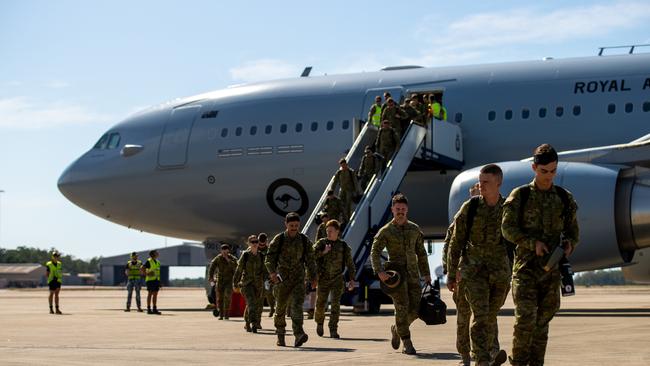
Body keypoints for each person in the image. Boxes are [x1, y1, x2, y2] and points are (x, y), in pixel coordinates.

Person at [502, 144, 579, 366]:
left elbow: (574, 232)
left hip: (551, 271)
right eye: (544, 171)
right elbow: (507, 229)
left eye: (553, 171)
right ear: (534, 168)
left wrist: (569, 245)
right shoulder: (521, 196)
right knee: (526, 319)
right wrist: (531, 242)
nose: (549, 176)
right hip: (526, 270)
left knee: (543, 321)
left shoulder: (564, 198)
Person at [447, 165, 510, 366]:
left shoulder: (509, 209)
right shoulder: (471, 208)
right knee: (480, 317)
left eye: (486, 182)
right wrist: (450, 273)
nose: (481, 186)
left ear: (498, 183)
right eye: (480, 181)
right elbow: (455, 242)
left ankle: (489, 355)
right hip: (473, 272)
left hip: (500, 274)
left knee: (491, 317)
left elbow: (519, 240)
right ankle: (481, 360)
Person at [371, 193, 431, 355]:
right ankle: (407, 342)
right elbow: (375, 251)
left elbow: (422, 252)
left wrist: (426, 273)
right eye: (397, 209)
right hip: (395, 277)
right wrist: (380, 271)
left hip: (413, 274)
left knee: (415, 309)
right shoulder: (386, 231)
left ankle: (397, 329)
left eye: (403, 209)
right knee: (402, 307)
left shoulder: (414, 228)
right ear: (392, 209)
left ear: (407, 210)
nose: (400, 212)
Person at [265, 212, 317, 348]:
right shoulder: (279, 239)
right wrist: (272, 273)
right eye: (291, 225)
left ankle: (298, 334)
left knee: (296, 307)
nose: (294, 228)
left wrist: (313, 277)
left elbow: (310, 260)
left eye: (296, 225)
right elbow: (269, 258)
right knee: (280, 308)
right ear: (286, 224)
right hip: (281, 280)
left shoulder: (304, 240)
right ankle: (280, 335)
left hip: (298, 279)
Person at [442, 182, 479, 365]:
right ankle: (465, 355)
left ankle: (489, 352)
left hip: (483, 277)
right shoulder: (462, 217)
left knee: (486, 318)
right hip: (463, 276)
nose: (479, 196)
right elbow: (449, 246)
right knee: (463, 319)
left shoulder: (496, 214)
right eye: (475, 194)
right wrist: (450, 271)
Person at [313, 219, 356, 338]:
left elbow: (350, 264)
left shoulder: (343, 246)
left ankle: (333, 329)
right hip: (323, 278)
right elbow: (311, 256)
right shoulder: (321, 243)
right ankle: (320, 322)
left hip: (337, 279)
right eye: (327, 231)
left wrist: (352, 279)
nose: (328, 233)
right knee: (321, 304)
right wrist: (323, 252)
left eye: (331, 231)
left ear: (337, 231)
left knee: (336, 305)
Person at [234, 235, 266, 333]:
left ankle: (247, 322)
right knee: (251, 303)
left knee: (253, 305)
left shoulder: (261, 255)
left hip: (257, 285)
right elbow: (239, 270)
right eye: (253, 242)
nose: (255, 244)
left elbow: (265, 270)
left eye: (256, 241)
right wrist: (235, 283)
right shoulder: (246, 255)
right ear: (249, 243)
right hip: (246, 284)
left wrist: (269, 279)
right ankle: (254, 323)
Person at [208, 244, 238, 320]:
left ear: (228, 250)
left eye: (226, 249)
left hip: (229, 281)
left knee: (227, 296)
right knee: (220, 298)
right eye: (223, 250)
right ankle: (221, 315)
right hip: (220, 281)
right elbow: (212, 267)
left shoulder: (232, 258)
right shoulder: (218, 258)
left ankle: (227, 314)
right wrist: (211, 277)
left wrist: (228, 260)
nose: (224, 251)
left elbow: (236, 268)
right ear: (221, 251)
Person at [332, 158, 360, 223]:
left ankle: (348, 219)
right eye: (342, 165)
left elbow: (355, 181)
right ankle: (343, 218)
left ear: (346, 164)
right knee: (341, 204)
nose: (343, 167)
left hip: (349, 190)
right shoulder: (339, 172)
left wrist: (357, 191)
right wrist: (332, 190)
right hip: (342, 190)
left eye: (344, 165)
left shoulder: (351, 172)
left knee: (348, 205)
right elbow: (335, 181)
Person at [258, 233, 276, 317]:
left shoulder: (270, 251)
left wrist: (273, 273)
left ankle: (272, 308)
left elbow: (274, 262)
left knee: (269, 294)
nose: (261, 246)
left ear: (266, 242)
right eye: (260, 244)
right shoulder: (254, 249)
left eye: (263, 244)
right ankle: (258, 313)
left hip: (267, 277)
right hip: (256, 276)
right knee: (259, 296)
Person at [142, 250, 162, 315]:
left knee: (155, 294)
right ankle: (148, 309)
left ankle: (154, 308)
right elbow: (142, 268)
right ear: (153, 254)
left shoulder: (158, 262)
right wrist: (146, 274)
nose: (158, 253)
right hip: (150, 280)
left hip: (156, 280)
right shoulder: (149, 261)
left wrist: (159, 281)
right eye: (156, 253)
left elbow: (157, 272)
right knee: (150, 294)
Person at [45, 250, 63, 314]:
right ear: (52, 256)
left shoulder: (59, 264)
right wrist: (51, 278)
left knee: (57, 295)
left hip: (58, 280)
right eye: (55, 256)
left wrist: (59, 277)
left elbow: (60, 272)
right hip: (52, 281)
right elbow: (47, 274)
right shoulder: (49, 264)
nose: (56, 257)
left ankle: (57, 309)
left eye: (57, 256)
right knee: (51, 294)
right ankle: (51, 309)